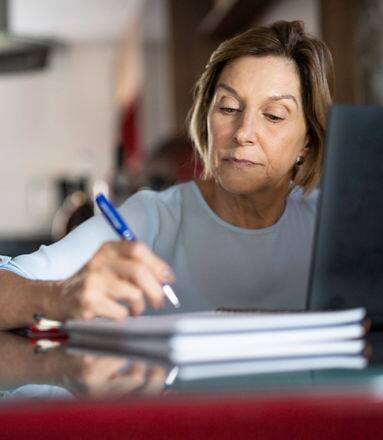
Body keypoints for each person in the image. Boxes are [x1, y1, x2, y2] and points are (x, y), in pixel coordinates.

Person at [0, 20, 334, 329]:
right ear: (206, 117)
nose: (243, 132)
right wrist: (57, 297)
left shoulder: (332, 224)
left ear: (307, 140)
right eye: (228, 108)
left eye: (274, 115)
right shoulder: (153, 218)